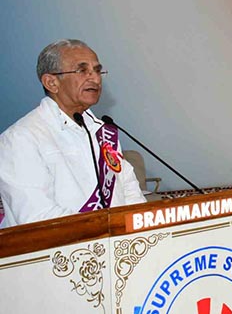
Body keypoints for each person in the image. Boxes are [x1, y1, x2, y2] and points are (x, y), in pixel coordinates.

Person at [0, 39, 146, 228]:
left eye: (97, 70)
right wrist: (106, 230)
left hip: (117, 247)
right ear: (51, 82)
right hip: (57, 253)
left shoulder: (103, 132)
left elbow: (130, 193)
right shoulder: (20, 139)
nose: (95, 78)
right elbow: (37, 218)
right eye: (82, 70)